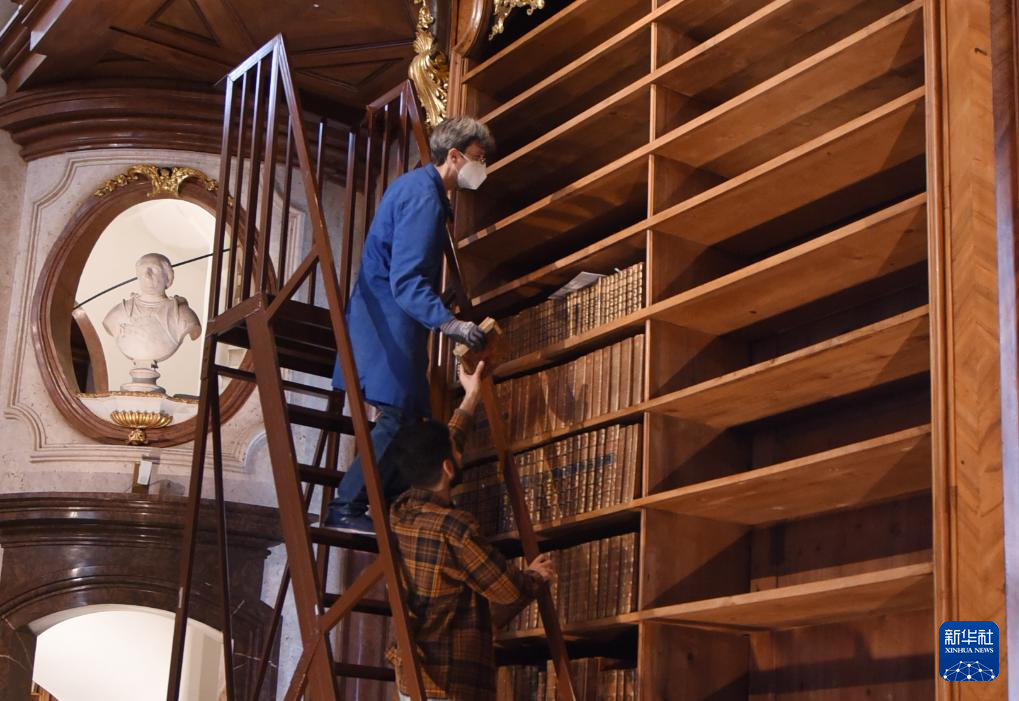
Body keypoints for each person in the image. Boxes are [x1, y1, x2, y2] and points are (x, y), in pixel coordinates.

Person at [325, 116, 495, 534]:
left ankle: (379, 506)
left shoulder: (419, 190)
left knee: (411, 423)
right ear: (453, 156)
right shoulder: (424, 198)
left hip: (391, 320)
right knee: (398, 416)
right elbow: (406, 280)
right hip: (388, 320)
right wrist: (451, 324)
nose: (482, 167)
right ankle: (346, 506)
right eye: (477, 158)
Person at [384, 361, 554, 701]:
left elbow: (443, 447)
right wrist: (535, 577)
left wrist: (471, 397)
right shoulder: (453, 528)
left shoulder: (400, 512)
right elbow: (507, 590)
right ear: (448, 467)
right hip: (449, 684)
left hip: (414, 679)